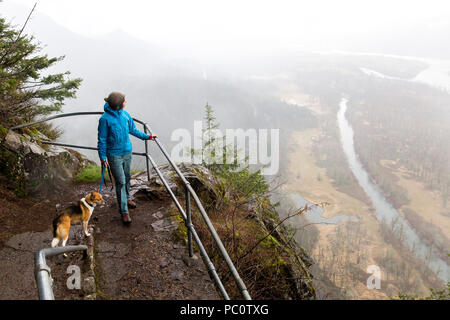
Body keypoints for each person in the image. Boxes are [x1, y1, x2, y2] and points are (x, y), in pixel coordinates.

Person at [97, 92, 157, 224]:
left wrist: (148, 137)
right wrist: (102, 157)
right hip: (114, 155)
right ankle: (124, 211)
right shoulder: (105, 119)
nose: (126, 102)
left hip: (127, 152)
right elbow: (101, 140)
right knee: (121, 182)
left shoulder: (125, 115)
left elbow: (133, 129)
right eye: (124, 100)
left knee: (127, 176)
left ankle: (128, 198)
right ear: (119, 104)